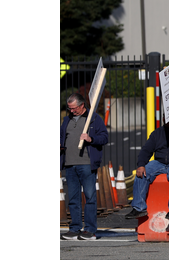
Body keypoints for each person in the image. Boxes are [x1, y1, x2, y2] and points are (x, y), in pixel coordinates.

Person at [125, 115, 169, 221]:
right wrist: (141, 165)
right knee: (144, 171)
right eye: (166, 117)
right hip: (161, 162)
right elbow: (146, 150)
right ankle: (139, 207)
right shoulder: (157, 133)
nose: (168, 119)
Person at [60, 93, 109, 241]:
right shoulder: (66, 120)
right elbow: (62, 136)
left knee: (90, 197)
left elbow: (104, 137)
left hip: (86, 164)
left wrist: (90, 139)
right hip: (70, 164)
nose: (71, 111)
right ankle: (75, 228)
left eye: (74, 108)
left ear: (82, 105)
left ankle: (89, 230)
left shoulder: (93, 118)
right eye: (69, 108)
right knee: (73, 199)